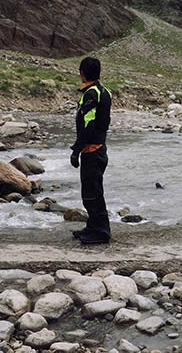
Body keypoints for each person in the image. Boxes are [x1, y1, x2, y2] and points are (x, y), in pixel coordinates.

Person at [69, 57, 112, 244]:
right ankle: (93, 226)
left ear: (82, 73)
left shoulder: (91, 94)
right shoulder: (104, 91)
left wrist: (76, 150)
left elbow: (89, 125)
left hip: (92, 150)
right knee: (93, 190)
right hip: (100, 148)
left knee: (92, 193)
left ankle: (101, 231)